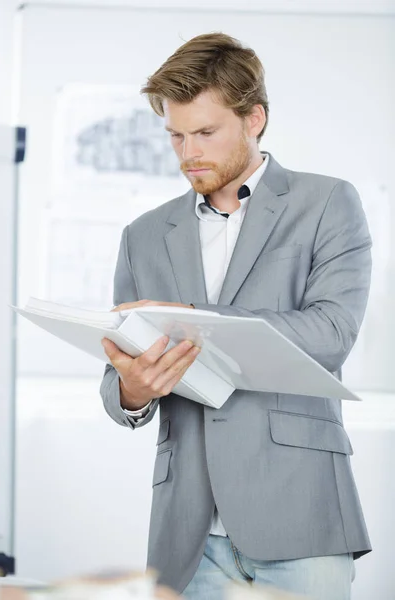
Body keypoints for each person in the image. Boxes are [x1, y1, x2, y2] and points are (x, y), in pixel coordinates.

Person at [100, 32, 372, 600]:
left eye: (204, 133)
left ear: (254, 119)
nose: (187, 153)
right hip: (187, 534)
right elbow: (118, 376)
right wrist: (131, 390)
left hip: (302, 515)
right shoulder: (144, 235)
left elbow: (331, 334)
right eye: (175, 135)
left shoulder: (326, 203)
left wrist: (196, 318)